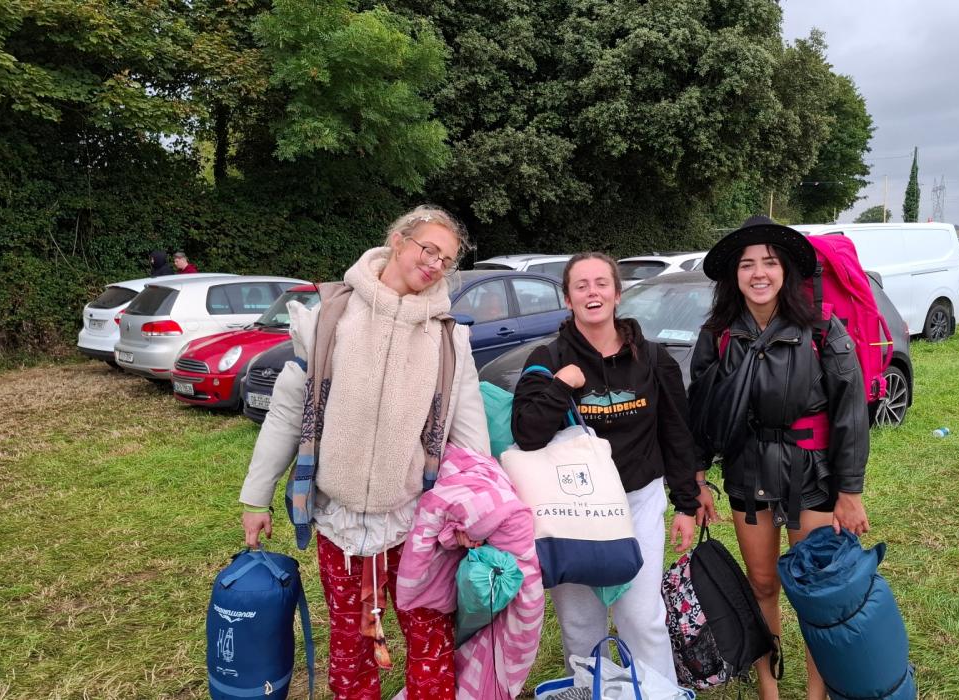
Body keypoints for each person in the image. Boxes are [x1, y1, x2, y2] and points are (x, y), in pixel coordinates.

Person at [238, 205, 490, 700]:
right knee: (351, 642)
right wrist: (256, 496)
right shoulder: (329, 317)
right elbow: (289, 413)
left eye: (447, 259)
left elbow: (469, 434)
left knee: (429, 638)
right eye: (428, 249)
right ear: (397, 240)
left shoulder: (449, 338)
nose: (435, 264)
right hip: (340, 522)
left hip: (415, 522)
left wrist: (476, 511)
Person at [511, 252, 716, 683]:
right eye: (581, 285)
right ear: (568, 298)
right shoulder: (547, 358)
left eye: (602, 283)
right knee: (581, 624)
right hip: (573, 509)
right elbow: (527, 434)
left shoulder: (653, 358)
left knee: (641, 616)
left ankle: (657, 690)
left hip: (638, 500)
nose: (593, 292)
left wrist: (685, 503)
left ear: (618, 294)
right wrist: (560, 386)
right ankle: (593, 688)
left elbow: (677, 434)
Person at [688, 216, 870, 700]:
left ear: (785, 270)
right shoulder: (718, 334)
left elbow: (851, 413)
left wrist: (850, 491)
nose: (759, 273)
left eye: (769, 262)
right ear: (735, 276)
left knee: (813, 588)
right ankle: (769, 690)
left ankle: (816, 693)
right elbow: (701, 412)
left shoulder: (821, 328)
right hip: (747, 473)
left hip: (811, 473)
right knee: (763, 583)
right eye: (747, 264)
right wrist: (697, 480)